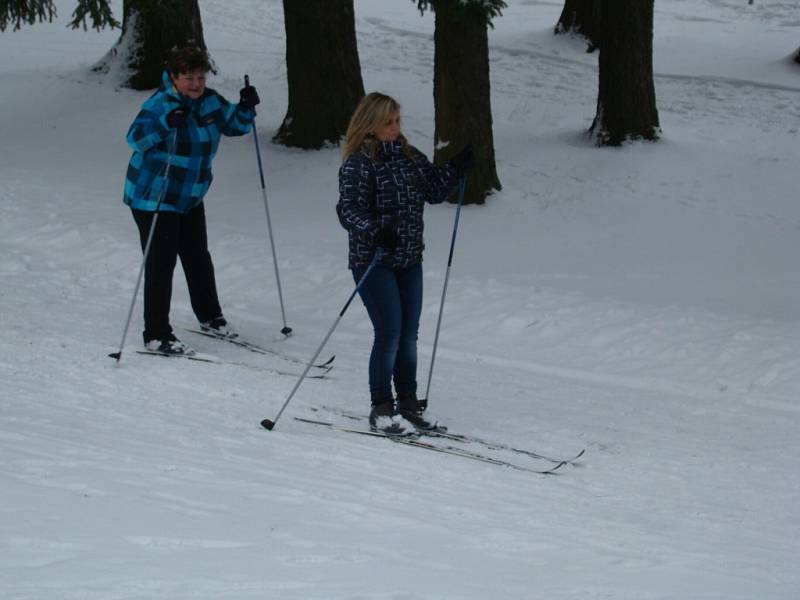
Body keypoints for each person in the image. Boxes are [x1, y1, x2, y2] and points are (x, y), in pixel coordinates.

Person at [336, 92, 474, 435]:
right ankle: (381, 407)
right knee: (389, 334)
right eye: (388, 121)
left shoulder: (409, 156)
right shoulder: (359, 163)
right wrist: (376, 231)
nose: (395, 127)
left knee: (408, 336)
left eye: (397, 120)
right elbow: (347, 210)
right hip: (373, 260)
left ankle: (409, 403)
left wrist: (457, 168)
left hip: (410, 259)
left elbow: (434, 190)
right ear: (370, 123)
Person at [123, 46, 260, 355]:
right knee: (161, 261)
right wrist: (166, 123)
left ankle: (211, 317)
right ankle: (156, 333)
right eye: (189, 78)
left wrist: (246, 107)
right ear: (174, 77)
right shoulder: (160, 104)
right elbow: (135, 138)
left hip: (190, 196)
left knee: (198, 256)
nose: (196, 84)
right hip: (154, 196)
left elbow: (235, 125)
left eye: (201, 77)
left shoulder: (210, 101)